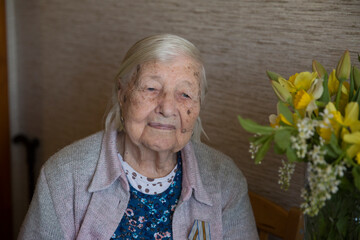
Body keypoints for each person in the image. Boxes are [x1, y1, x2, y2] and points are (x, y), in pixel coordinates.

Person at [18, 34, 258, 240]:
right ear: (122, 95)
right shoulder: (64, 176)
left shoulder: (225, 181)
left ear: (198, 107)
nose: (167, 107)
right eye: (151, 88)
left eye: (184, 94)